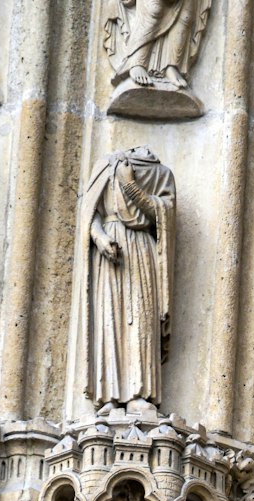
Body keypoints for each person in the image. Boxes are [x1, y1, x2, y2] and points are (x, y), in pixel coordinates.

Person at [80, 148, 176, 410]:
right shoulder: (106, 164)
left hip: (142, 249)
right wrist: (99, 238)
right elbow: (91, 212)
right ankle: (108, 395)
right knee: (109, 318)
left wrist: (130, 185)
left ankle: (138, 393)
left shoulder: (161, 173)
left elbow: (163, 215)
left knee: (141, 319)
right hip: (109, 249)